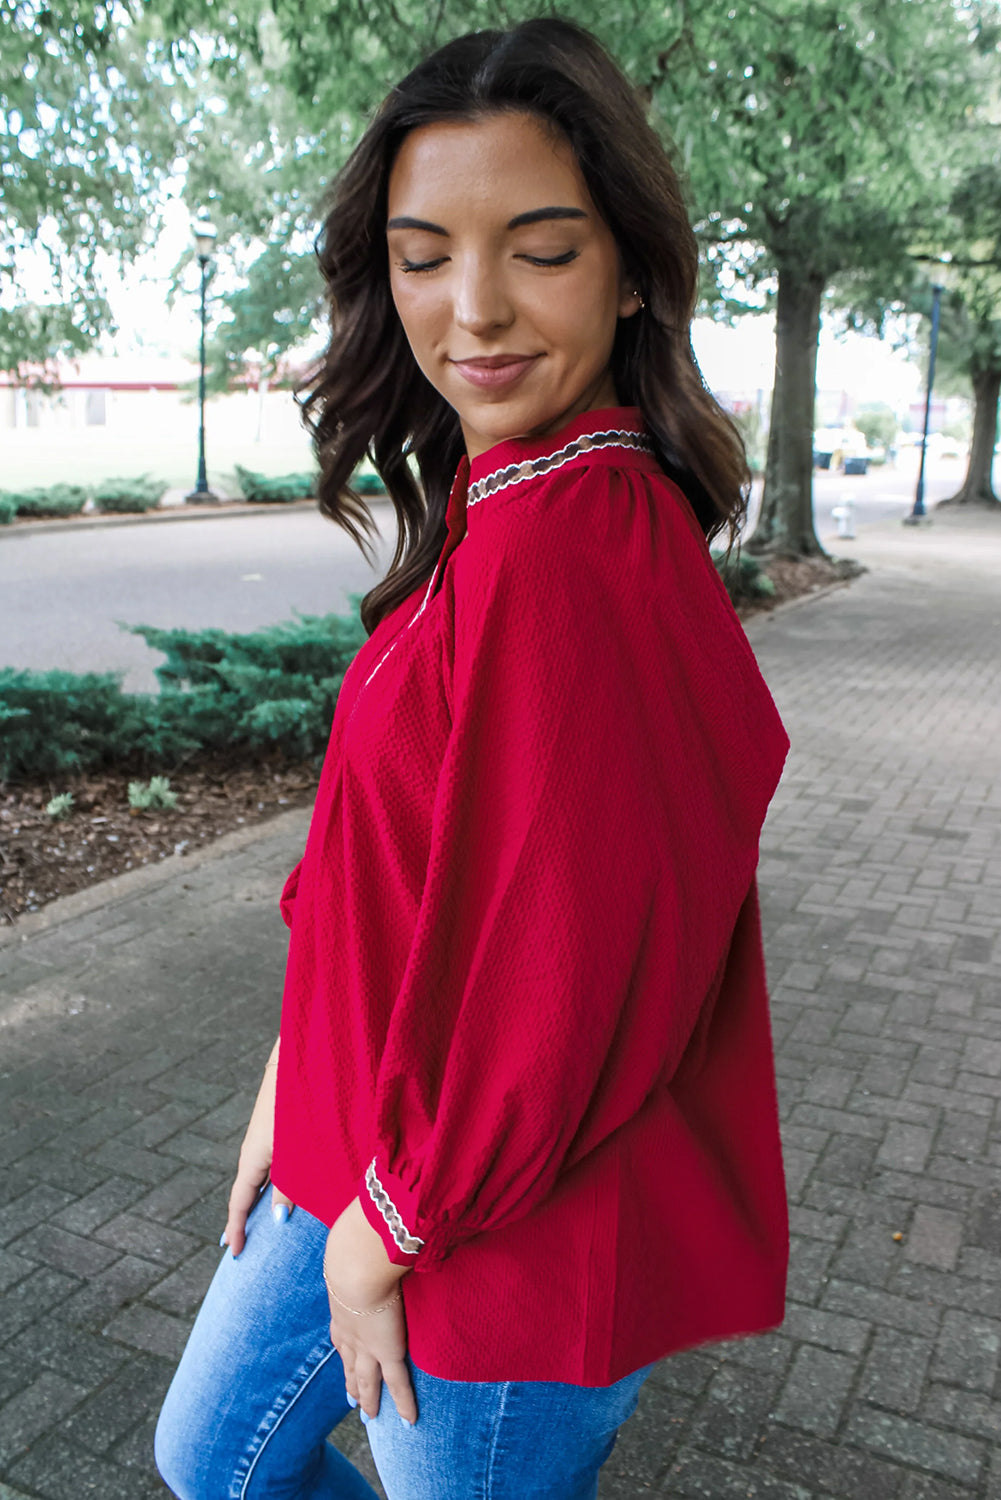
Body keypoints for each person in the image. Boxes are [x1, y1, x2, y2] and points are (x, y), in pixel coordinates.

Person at [154, 17, 791, 1500]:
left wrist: (384, 1230)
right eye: (423, 251)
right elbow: (398, 862)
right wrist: (282, 1080)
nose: (474, 307)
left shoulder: (577, 545)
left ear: (628, 267)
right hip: (368, 1131)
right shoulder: (504, 503)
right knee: (209, 1457)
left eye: (540, 248)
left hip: (487, 1217)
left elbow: (562, 976)